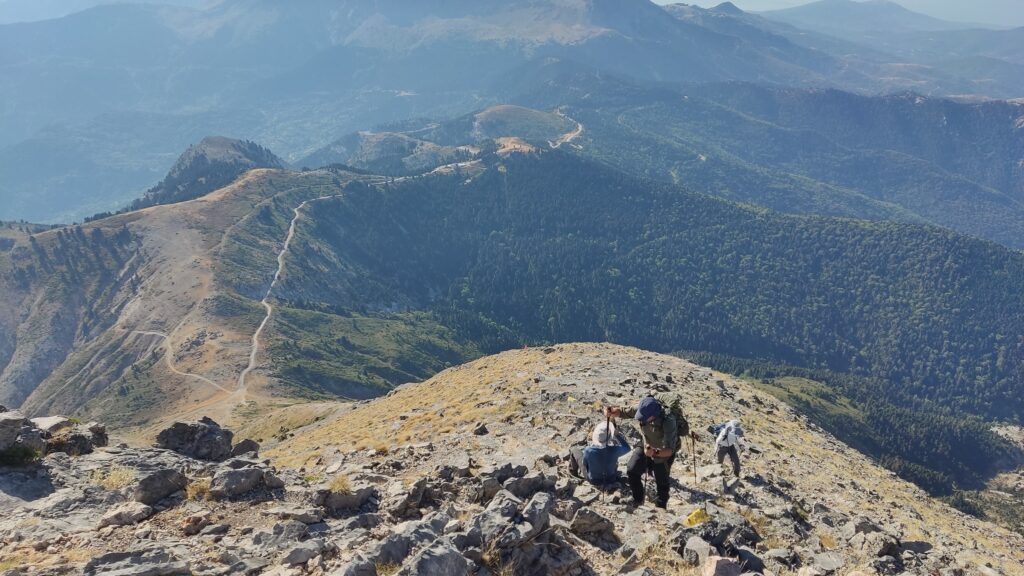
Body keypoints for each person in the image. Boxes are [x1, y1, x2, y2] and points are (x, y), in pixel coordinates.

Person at [605, 395, 697, 509]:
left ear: (653, 416)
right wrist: (613, 412)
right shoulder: (643, 410)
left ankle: (661, 506)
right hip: (646, 444)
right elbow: (624, 411)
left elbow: (669, 450)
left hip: (662, 453)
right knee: (632, 469)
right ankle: (637, 499)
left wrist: (654, 453)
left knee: (661, 480)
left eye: (644, 418)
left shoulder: (669, 421)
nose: (640, 419)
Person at [569, 421, 631, 485]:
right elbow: (627, 448)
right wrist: (617, 435)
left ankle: (573, 472)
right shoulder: (614, 450)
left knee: (574, 450)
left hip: (593, 480)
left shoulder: (588, 450)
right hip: (610, 479)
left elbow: (584, 464)